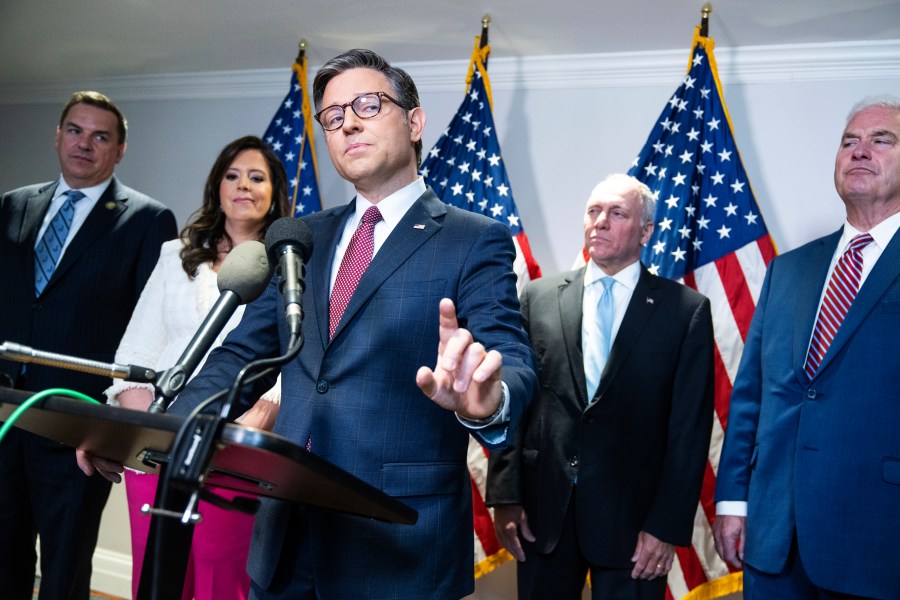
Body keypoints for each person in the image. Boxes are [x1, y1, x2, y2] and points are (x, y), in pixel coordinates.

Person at [80, 49, 537, 599]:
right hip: (284, 534)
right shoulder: (301, 237)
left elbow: (509, 358)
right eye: (333, 115)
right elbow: (238, 357)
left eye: (368, 104)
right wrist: (148, 434)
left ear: (415, 122)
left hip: (397, 539)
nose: (349, 122)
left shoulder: (474, 238)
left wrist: (488, 401)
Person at [486, 173, 715, 600]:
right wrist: (506, 494)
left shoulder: (685, 312)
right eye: (593, 211)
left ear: (646, 231)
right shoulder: (538, 298)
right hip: (543, 518)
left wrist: (665, 526)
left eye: (616, 213)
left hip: (635, 528)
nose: (600, 222)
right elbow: (512, 403)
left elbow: (690, 429)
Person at [712, 96, 900, 600]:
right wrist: (733, 501)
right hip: (774, 537)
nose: (860, 151)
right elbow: (752, 394)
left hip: (880, 536)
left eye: (881, 140)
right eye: (848, 142)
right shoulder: (788, 270)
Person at [0, 91, 177, 600]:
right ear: (57, 137)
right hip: (7, 412)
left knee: (65, 569)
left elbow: (149, 331)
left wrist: (114, 425)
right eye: (75, 131)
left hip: (77, 428)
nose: (85, 144)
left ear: (119, 150)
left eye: (101, 136)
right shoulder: (13, 204)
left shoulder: (148, 220)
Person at [105, 135, 288, 600]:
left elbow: (285, 364)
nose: (242, 186)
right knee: (156, 576)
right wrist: (153, 433)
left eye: (256, 177)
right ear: (216, 187)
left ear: (275, 193)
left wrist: (233, 432)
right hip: (158, 444)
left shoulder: (290, 268)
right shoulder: (175, 255)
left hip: (235, 450)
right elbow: (137, 356)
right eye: (232, 175)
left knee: (220, 580)